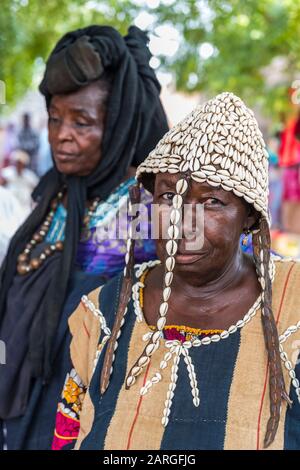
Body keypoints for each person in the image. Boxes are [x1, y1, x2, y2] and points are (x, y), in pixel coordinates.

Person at [54, 92, 300, 451]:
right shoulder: (104, 311)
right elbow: (67, 433)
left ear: (249, 216)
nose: (182, 223)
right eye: (169, 197)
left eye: (212, 201)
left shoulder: (292, 308)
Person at [0, 24, 168, 450]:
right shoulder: (53, 196)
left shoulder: (149, 213)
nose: (61, 134)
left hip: (80, 424)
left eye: (82, 121)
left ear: (116, 127)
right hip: (20, 415)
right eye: (55, 118)